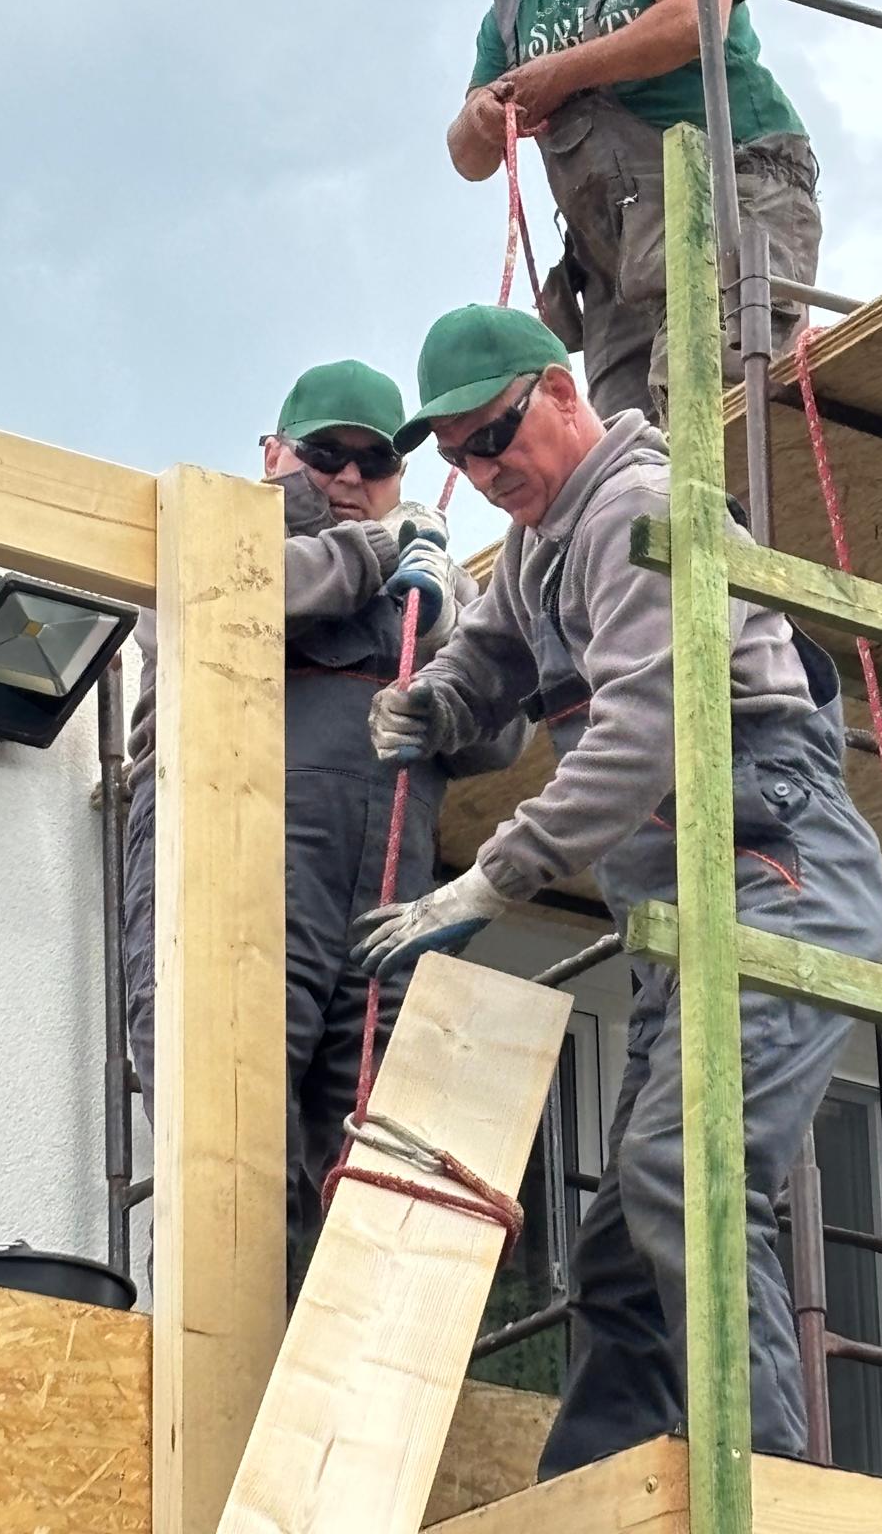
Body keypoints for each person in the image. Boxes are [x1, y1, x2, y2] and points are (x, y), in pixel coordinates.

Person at [353, 306, 882, 1469]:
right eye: (454, 458)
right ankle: (589, 1496)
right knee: (617, 1254)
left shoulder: (635, 507)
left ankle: (771, 1488)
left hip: (771, 865)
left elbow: (646, 731)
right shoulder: (545, 543)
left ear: (557, 390)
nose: (484, 471)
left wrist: (496, 876)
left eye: (494, 435)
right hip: (683, 907)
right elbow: (489, 654)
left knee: (686, 1174)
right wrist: (433, 705)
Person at [122, 358, 526, 1303]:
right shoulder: (212, 532)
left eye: (376, 461)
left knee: (362, 1160)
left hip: (382, 894)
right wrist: (380, 555)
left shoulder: (427, 585)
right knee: (230, 1140)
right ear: (274, 454)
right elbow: (212, 602)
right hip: (240, 863)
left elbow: (500, 737)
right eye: (326, 455)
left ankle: (325, 1409)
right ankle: (208, 1394)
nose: (350, 480)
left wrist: (451, 617)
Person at [448, 0, 821, 417]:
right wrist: (481, 114)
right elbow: (468, 159)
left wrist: (559, 73)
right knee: (632, 449)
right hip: (615, 260)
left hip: (730, 199)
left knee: (712, 401)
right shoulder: (513, 11)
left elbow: (692, 21)